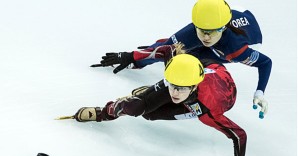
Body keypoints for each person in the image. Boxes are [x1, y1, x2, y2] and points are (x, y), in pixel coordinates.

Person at [60, 47, 246, 156]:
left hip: (214, 99)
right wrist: (130, 56)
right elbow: (167, 50)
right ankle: (108, 111)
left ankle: (147, 96)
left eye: (180, 88)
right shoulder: (178, 70)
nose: (174, 92)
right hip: (202, 68)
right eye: (171, 85)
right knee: (138, 108)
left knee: (151, 115)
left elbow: (239, 136)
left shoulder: (207, 111)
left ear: (194, 86)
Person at [92, 0, 272, 119]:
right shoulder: (196, 30)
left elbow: (266, 63)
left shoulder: (236, 49)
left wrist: (259, 92)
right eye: (201, 30)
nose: (206, 37)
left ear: (223, 28)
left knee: (193, 63)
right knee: (174, 48)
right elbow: (166, 48)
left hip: (238, 43)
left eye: (211, 32)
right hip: (220, 22)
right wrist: (133, 58)